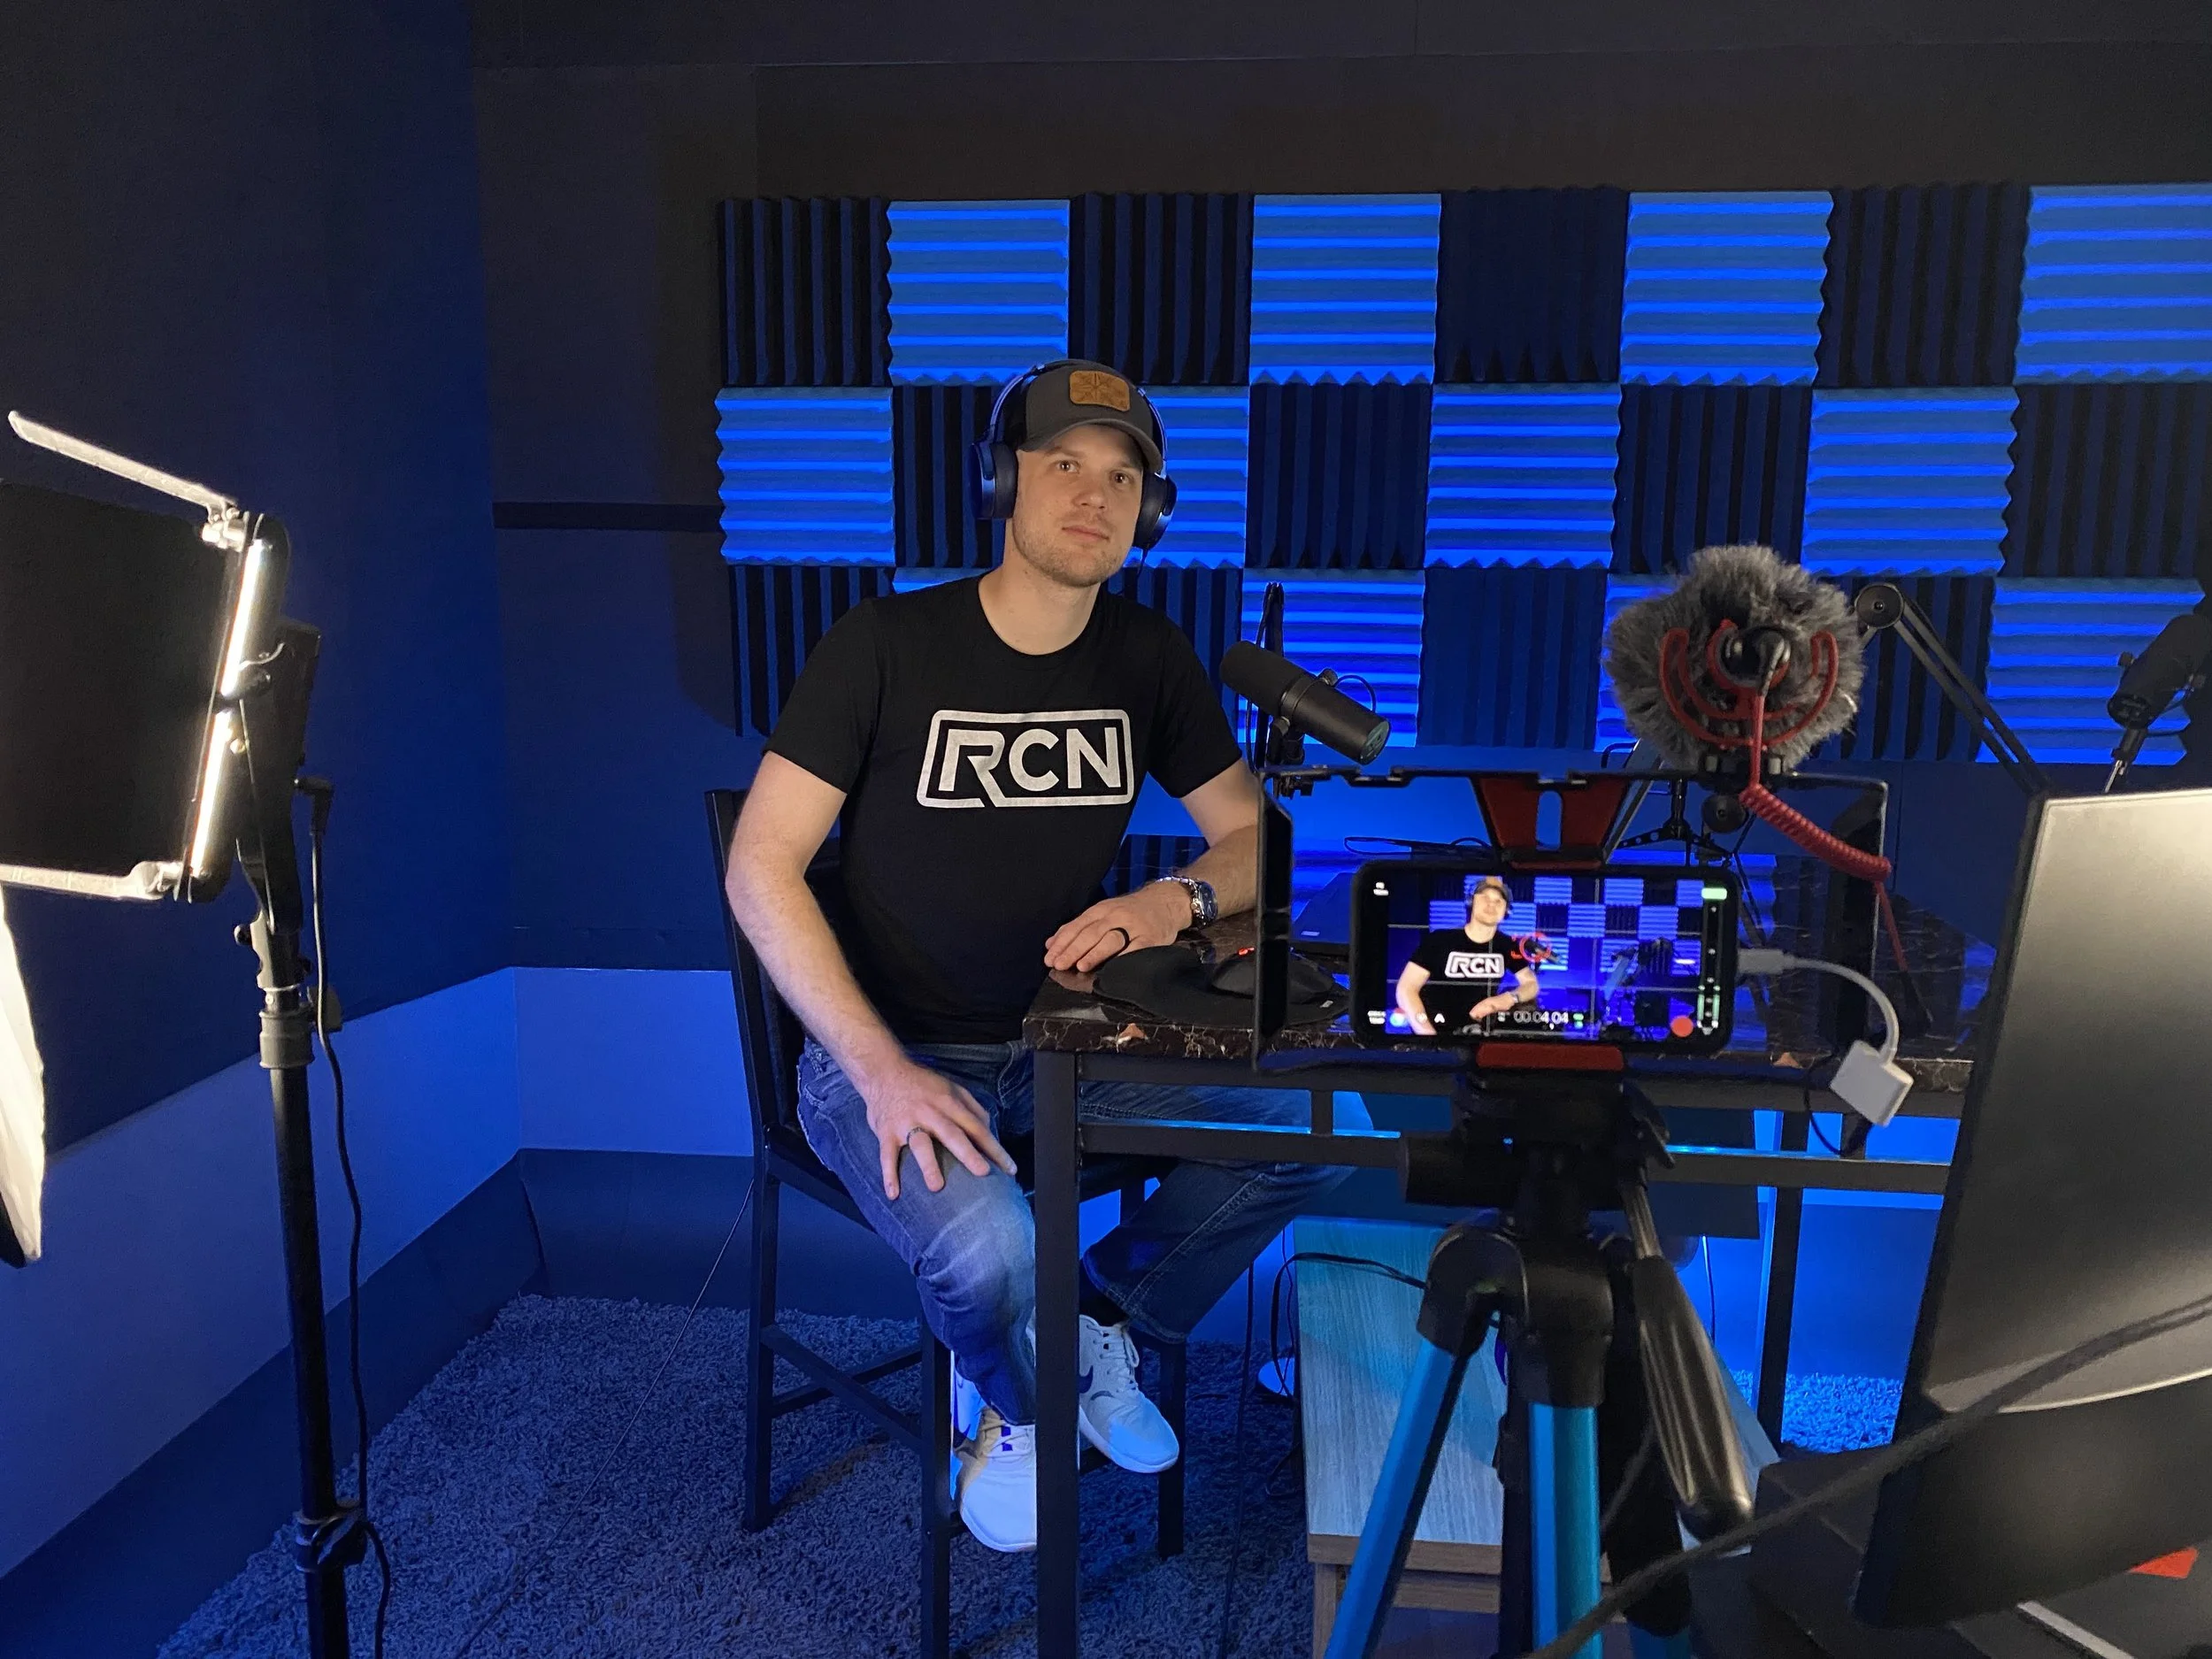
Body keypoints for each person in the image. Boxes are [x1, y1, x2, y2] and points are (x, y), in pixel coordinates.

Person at [723, 360, 1352, 1554]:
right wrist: (879, 1070)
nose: (1096, 493)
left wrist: (1171, 897)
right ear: (1002, 478)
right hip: (890, 1051)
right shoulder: (884, 643)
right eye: (1064, 461)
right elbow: (761, 865)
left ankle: (1091, 1317)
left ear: (1150, 512)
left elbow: (1255, 840)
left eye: (1124, 476)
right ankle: (1014, 1404)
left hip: (1072, 1051)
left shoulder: (1149, 658)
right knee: (986, 1244)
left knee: (1314, 1130)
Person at [1394, 876, 1540, 1038]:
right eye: (1485, 898)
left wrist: (1507, 999)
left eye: (1498, 901)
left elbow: (1531, 984)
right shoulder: (1439, 940)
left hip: (1478, 1034)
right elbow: (1406, 989)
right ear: (1471, 903)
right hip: (1435, 1032)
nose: (1491, 904)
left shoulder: (1508, 945)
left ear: (1506, 911)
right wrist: (1427, 1034)